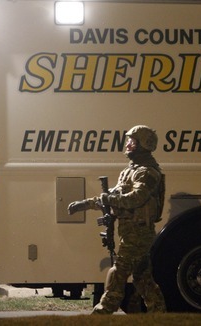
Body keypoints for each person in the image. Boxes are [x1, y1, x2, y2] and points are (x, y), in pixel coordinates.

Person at [67, 125, 166, 314]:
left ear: (144, 144)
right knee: (143, 280)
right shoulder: (129, 171)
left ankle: (102, 312)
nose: (128, 145)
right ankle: (159, 315)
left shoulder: (147, 172)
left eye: (132, 141)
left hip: (138, 234)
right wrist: (84, 204)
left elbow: (136, 198)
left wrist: (108, 199)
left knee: (117, 275)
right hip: (130, 234)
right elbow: (111, 196)